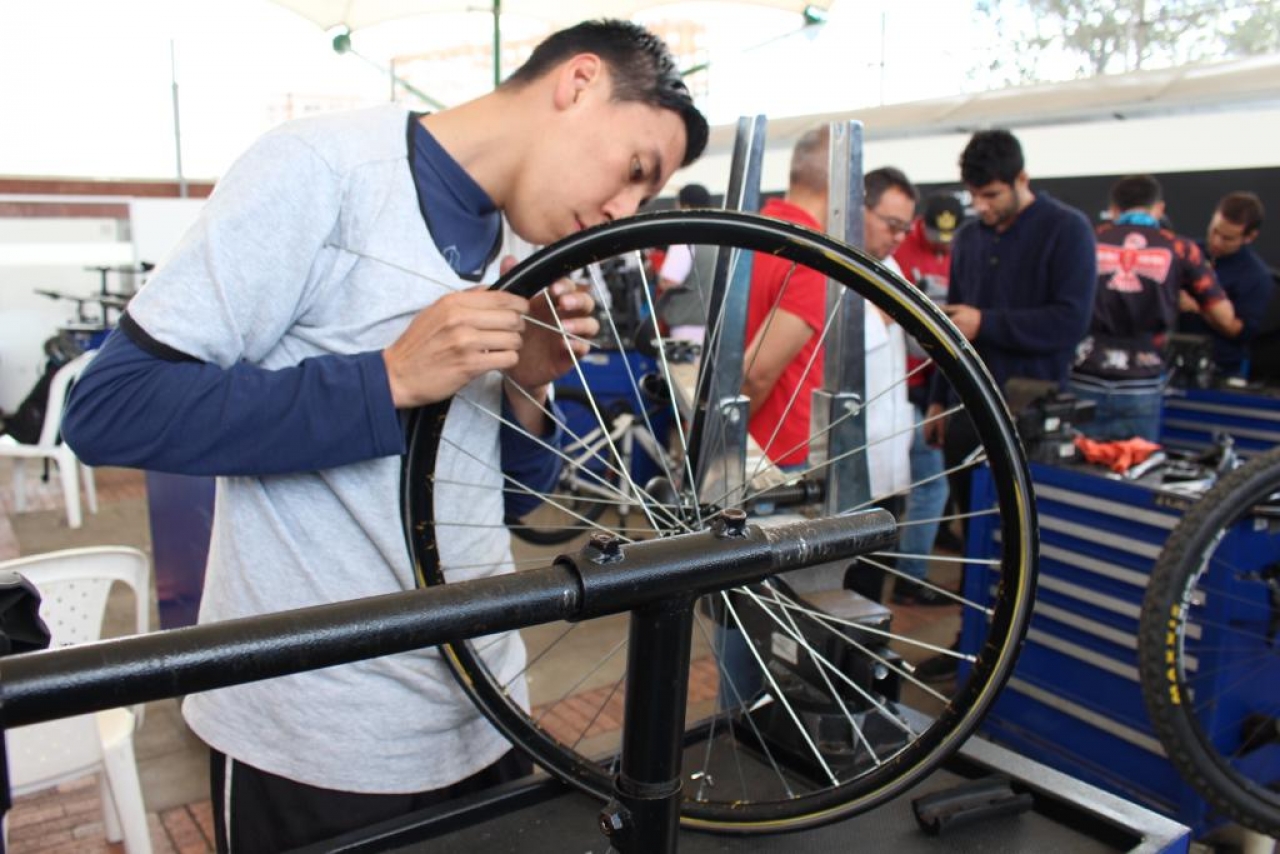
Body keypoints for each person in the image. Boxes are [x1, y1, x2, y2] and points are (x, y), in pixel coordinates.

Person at [62, 19, 708, 852]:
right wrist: (388, 378)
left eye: (645, 200)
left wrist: (529, 384)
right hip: (317, 738)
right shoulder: (320, 170)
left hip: (486, 712)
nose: (623, 211)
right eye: (635, 171)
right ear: (579, 82)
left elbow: (504, 497)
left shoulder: (520, 241)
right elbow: (111, 407)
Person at [919, 129, 1096, 681]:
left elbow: (1071, 320)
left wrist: (988, 323)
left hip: (1028, 415)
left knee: (1017, 543)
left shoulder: (1067, 231)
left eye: (993, 194)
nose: (982, 206)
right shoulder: (971, 237)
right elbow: (952, 330)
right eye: (975, 195)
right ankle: (969, 643)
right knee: (973, 542)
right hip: (965, 409)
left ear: (1023, 179)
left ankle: (1012, 655)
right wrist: (935, 401)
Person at [1071, 175, 1238, 441]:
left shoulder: (1088, 239)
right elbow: (1225, 317)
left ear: (1113, 209)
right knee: (1136, 472)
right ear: (1159, 208)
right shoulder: (1180, 248)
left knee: (1069, 477)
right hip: (1142, 380)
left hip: (1085, 374)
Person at [890, 192, 967, 605]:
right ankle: (910, 577)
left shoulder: (956, 252)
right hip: (903, 387)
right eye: (937, 236)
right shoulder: (900, 249)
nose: (943, 244)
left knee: (924, 485)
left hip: (935, 385)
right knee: (929, 487)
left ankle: (906, 567)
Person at [1179, 191, 1273, 377]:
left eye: (1228, 238)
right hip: (1170, 358)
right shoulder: (1188, 253)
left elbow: (1241, 332)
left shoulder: (1256, 276)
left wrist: (1198, 306)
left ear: (1249, 237)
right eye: (1214, 230)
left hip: (1221, 369)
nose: (1216, 241)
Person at [655, 183, 717, 342]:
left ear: (685, 206)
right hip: (716, 327)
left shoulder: (685, 241)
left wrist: (655, 273)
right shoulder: (719, 238)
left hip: (687, 330)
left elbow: (668, 282)